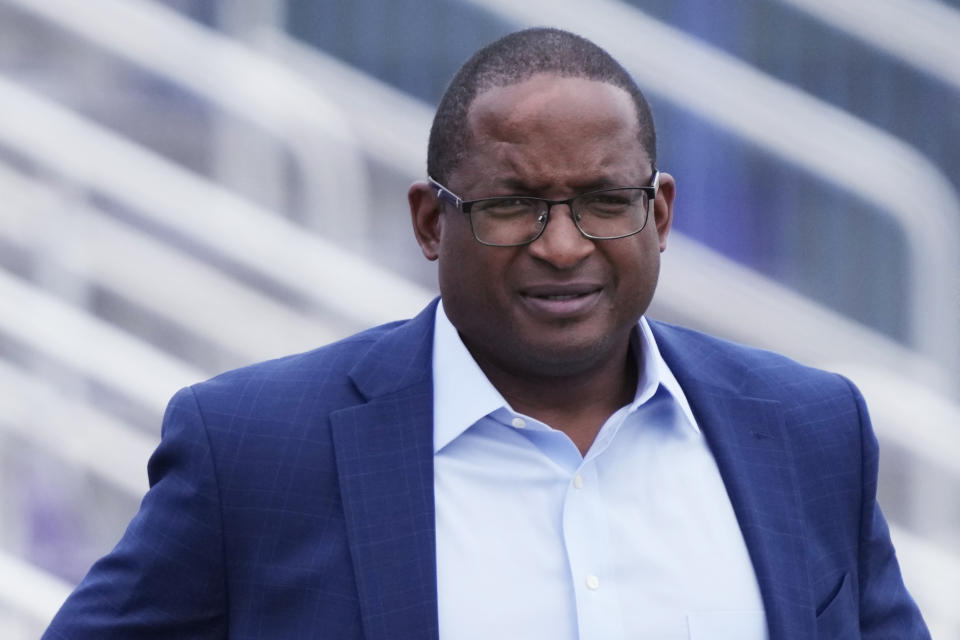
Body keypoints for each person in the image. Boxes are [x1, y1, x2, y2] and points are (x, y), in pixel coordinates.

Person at [44, 28, 928, 640]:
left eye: (603, 202)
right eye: (510, 205)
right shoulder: (256, 448)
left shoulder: (807, 431)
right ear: (431, 223)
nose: (562, 244)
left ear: (658, 213)